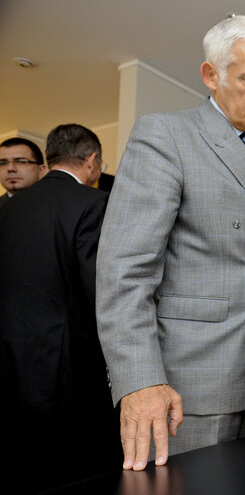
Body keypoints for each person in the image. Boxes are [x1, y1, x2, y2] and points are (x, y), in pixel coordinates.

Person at [96, 15, 245, 471]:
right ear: (212, 75)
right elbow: (124, 270)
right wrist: (140, 381)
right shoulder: (165, 136)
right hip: (185, 386)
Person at [0, 124, 120, 492]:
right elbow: (99, 287)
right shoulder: (94, 203)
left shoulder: (8, 207)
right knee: (80, 467)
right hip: (68, 364)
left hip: (10, 358)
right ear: (93, 161)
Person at [0, 137, 46, 208]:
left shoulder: (59, 204)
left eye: (21, 162)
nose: (10, 168)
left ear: (41, 170)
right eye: (3, 163)